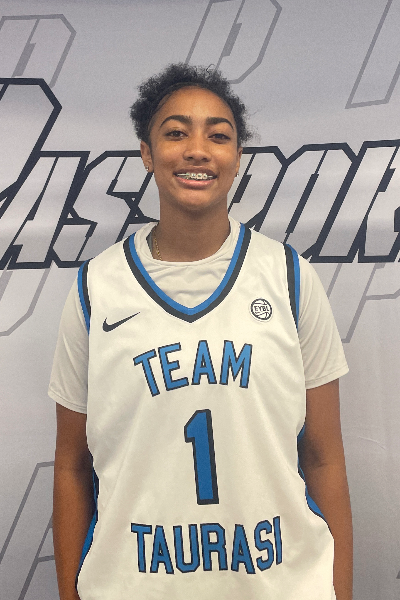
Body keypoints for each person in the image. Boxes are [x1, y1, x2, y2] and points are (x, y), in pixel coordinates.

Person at [50, 63, 352, 600]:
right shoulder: (97, 287)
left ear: (237, 157)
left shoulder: (288, 277)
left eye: (218, 135)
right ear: (147, 153)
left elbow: (324, 458)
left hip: (278, 585)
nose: (197, 150)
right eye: (175, 133)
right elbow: (73, 465)